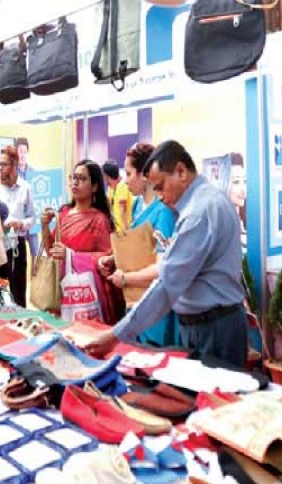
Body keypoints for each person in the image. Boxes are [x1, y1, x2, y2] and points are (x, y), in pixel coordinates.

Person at [86, 140, 247, 366]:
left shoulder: (198, 213)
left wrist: (116, 335)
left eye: (161, 186)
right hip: (204, 324)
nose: (159, 196)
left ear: (181, 171)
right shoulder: (203, 202)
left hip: (213, 328)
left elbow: (167, 282)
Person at [99, 143, 179, 347]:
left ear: (145, 175)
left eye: (129, 173)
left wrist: (126, 279)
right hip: (135, 302)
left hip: (155, 307)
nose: (125, 180)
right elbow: (139, 248)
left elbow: (162, 268)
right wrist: (114, 259)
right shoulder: (137, 206)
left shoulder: (163, 213)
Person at [41, 159, 125, 325]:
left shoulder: (99, 220)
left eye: (82, 178)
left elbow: (108, 259)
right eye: (73, 177)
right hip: (61, 289)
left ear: (94, 187)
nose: (75, 182)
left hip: (87, 293)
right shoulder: (64, 214)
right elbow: (51, 251)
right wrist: (44, 226)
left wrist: (71, 256)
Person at [0, 145, 36, 307]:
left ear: (14, 165)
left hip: (18, 246)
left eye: (3, 164)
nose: (0, 168)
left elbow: (33, 218)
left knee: (18, 292)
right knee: (1, 293)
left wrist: (21, 224)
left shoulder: (25, 188)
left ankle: (21, 321)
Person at [103, 160, 134, 232]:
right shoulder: (111, 188)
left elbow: (122, 210)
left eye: (104, 175)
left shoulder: (122, 185)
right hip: (117, 230)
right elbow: (110, 207)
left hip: (124, 230)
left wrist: (127, 231)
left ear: (107, 176)